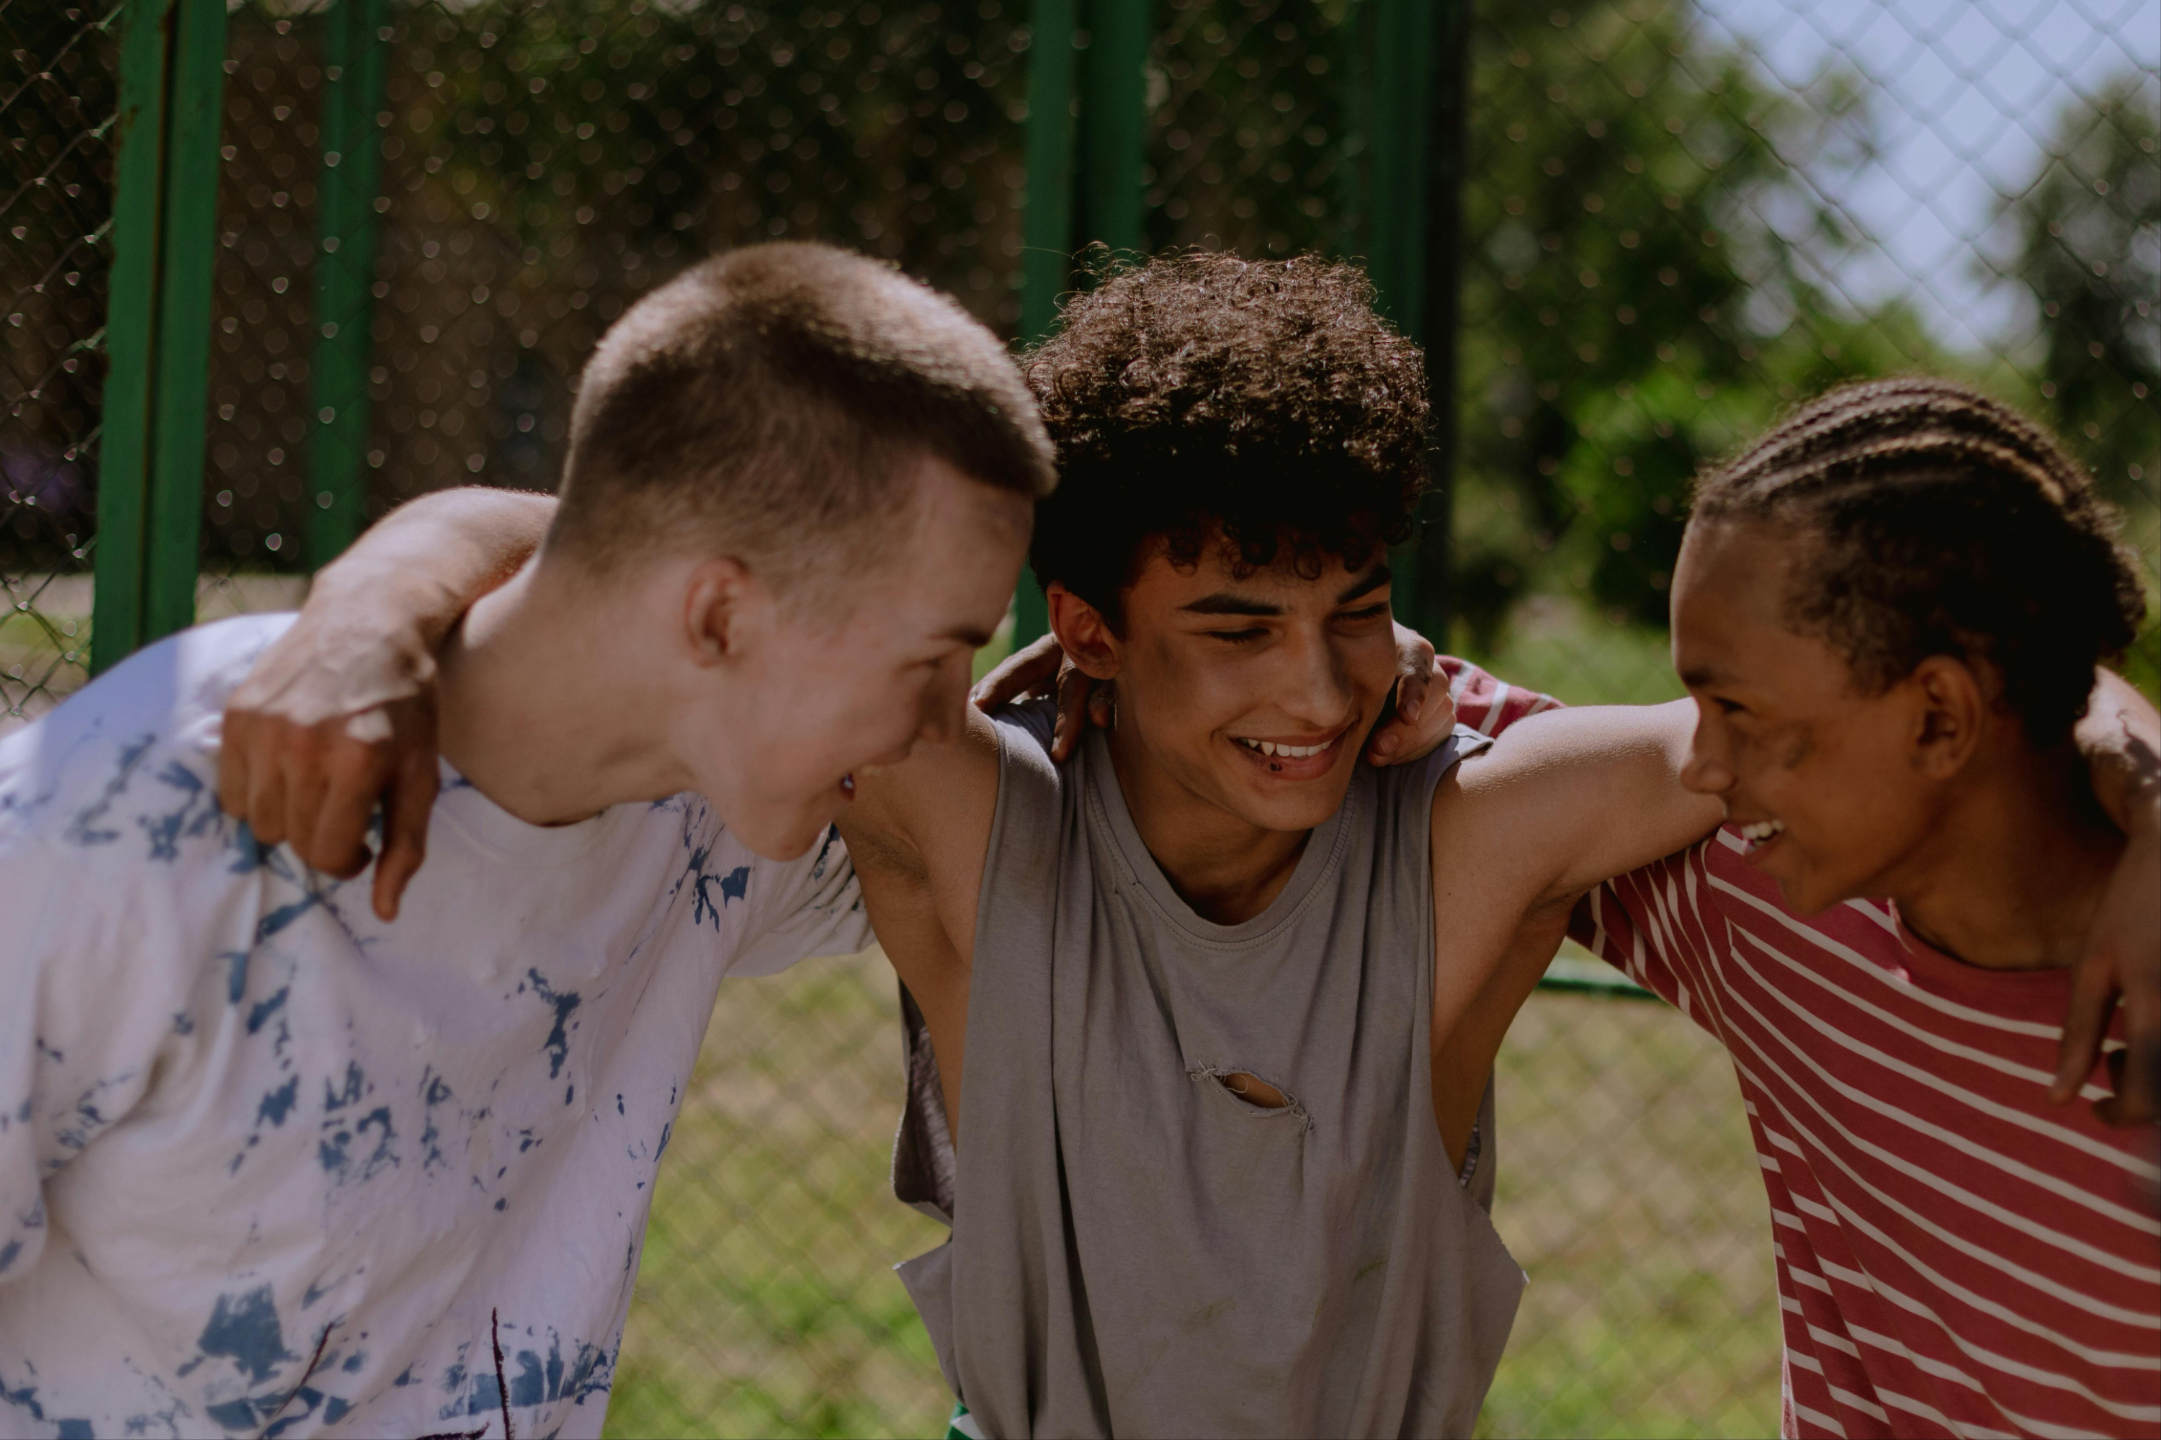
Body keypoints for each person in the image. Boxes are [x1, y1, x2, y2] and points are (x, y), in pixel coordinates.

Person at [222, 256, 2156, 1439]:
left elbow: (1933, 702)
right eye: (1234, 625)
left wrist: (2147, 799)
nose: (1315, 689)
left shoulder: (1484, 824)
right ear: (1083, 626)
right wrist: (372, 610)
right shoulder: (954, 791)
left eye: (1356, 609)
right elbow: (623, 551)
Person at [0, 241, 1058, 1439]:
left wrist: (404, 565)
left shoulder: (716, 807)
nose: (939, 721)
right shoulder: (150, 808)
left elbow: (610, 535)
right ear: (717, 614)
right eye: (925, 659)